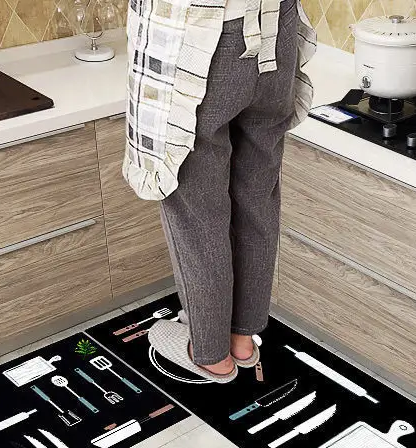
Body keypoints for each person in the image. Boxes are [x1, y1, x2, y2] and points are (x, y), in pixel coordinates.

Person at [124, 0, 317, 382]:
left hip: (202, 39)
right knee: (257, 196)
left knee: (197, 210)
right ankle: (242, 339)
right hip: (275, 30)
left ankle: (211, 352)